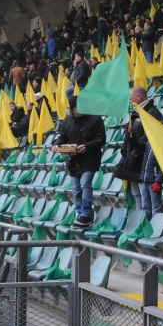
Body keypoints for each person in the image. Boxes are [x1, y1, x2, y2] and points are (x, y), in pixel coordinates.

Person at [52, 96, 106, 228]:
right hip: (74, 161)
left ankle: (87, 213)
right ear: (72, 109)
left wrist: (86, 146)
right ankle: (80, 214)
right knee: (76, 189)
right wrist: (57, 145)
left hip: (90, 159)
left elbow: (101, 139)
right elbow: (62, 137)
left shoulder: (95, 119)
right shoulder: (67, 122)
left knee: (85, 184)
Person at [128, 87, 163, 218]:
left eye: (131, 99)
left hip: (153, 179)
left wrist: (158, 181)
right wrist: (130, 135)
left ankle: (156, 230)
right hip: (144, 177)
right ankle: (147, 228)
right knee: (146, 206)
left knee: (155, 207)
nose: (130, 102)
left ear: (139, 97)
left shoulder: (153, 113)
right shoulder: (136, 113)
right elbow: (138, 143)